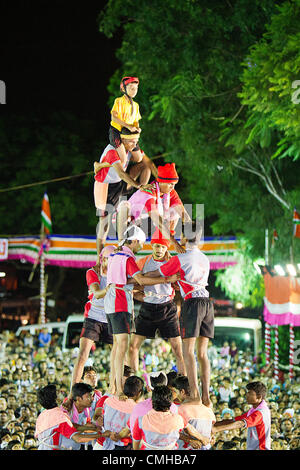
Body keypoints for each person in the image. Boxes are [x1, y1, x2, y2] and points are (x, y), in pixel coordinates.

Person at [104, 225, 180, 397]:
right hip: (120, 302)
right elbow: (141, 280)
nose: (140, 248)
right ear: (135, 241)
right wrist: (167, 278)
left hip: (111, 300)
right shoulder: (127, 258)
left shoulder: (115, 254)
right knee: (122, 347)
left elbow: (127, 280)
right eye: (141, 244)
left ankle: (113, 386)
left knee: (117, 347)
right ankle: (118, 388)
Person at [151, 220, 214, 405]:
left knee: (188, 351)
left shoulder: (180, 258)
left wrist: (136, 278)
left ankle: (194, 394)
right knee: (202, 353)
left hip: (192, 303)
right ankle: (206, 397)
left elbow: (158, 273)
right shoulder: (204, 258)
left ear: (184, 238)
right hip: (207, 303)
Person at [129, 228, 186, 375]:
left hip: (167, 307)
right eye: (156, 246)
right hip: (147, 307)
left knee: (178, 349)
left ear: (167, 247)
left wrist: (175, 285)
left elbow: (180, 285)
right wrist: (136, 295)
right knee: (133, 347)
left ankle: (184, 382)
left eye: (162, 246)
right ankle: (135, 380)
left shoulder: (173, 261)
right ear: (152, 246)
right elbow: (131, 283)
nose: (159, 249)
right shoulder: (143, 261)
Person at [94, 126, 154, 255]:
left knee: (145, 166)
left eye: (136, 141)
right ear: (123, 141)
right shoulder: (112, 151)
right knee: (104, 223)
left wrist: (159, 175)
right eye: (132, 142)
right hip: (107, 188)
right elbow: (121, 173)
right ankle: (99, 256)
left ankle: (140, 197)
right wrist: (138, 185)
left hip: (120, 183)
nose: (135, 144)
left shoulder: (130, 148)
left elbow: (146, 161)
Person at [69, 245, 115, 391]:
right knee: (82, 355)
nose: (109, 263)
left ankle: (114, 388)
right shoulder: (92, 272)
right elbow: (97, 292)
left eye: (113, 260)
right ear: (102, 259)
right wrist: (111, 287)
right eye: (107, 259)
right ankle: (73, 391)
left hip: (111, 316)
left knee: (118, 355)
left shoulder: (117, 272)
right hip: (93, 316)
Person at [117, 162, 189, 253]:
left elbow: (184, 215)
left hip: (147, 224)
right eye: (170, 184)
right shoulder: (149, 193)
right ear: (161, 182)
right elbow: (159, 222)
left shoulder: (171, 192)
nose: (172, 187)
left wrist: (190, 236)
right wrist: (175, 244)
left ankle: (164, 245)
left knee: (175, 212)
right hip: (131, 223)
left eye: (174, 184)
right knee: (124, 207)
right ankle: (121, 244)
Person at [132, 385, 202, 450]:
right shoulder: (178, 420)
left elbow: (136, 444)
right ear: (170, 403)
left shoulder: (141, 420)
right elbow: (188, 430)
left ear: (152, 401)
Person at [35, 384, 104, 450]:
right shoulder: (59, 417)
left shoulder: (43, 414)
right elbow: (78, 438)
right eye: (59, 392)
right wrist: (102, 435)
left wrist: (91, 428)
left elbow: (71, 427)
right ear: (56, 399)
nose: (63, 392)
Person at [212, 381, 271, 450]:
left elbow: (240, 423)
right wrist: (214, 425)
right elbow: (234, 420)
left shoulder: (260, 413)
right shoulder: (254, 410)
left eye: (250, 393)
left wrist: (216, 429)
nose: (246, 395)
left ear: (259, 396)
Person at [101, 375, 144, 450]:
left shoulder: (108, 400)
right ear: (139, 393)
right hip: (124, 446)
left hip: (104, 444)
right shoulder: (137, 410)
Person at [174, 375, 215, 450]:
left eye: (175, 392)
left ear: (182, 392)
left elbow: (173, 431)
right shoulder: (208, 410)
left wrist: (189, 440)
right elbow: (212, 430)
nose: (175, 395)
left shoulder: (179, 409)